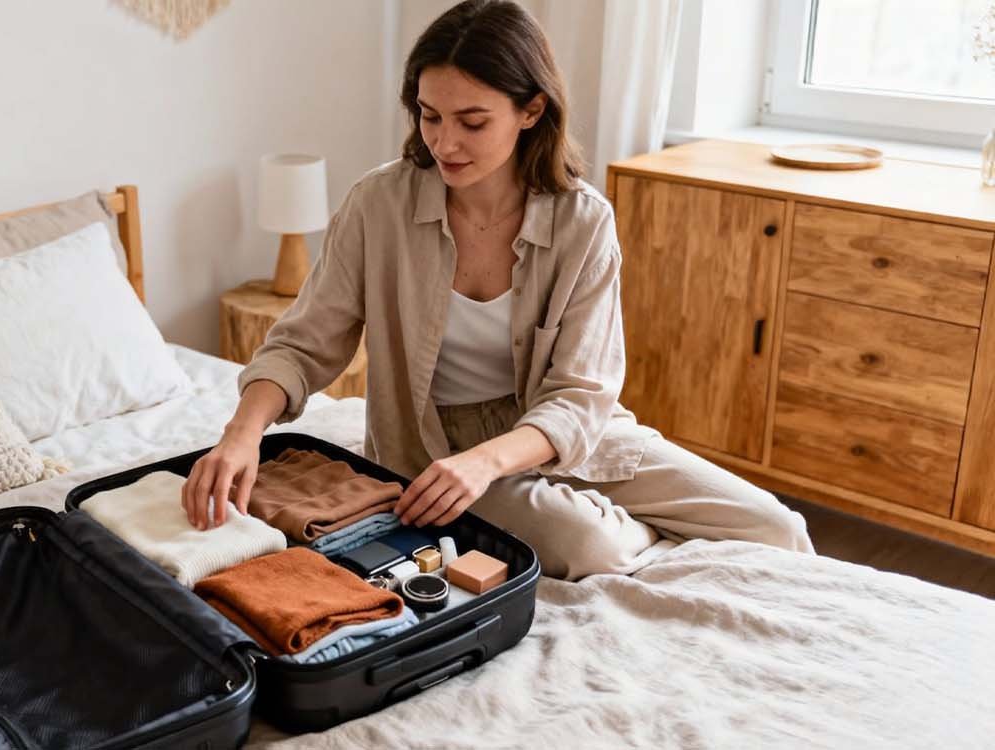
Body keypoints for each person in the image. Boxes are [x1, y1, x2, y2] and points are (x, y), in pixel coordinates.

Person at [181, 0, 813, 580]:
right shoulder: (379, 204)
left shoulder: (582, 221)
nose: (444, 142)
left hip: (552, 430)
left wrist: (491, 461)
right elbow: (304, 342)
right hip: (435, 446)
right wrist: (243, 433)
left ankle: (619, 517)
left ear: (531, 111)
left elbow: (580, 395)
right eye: (429, 116)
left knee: (778, 527)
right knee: (589, 546)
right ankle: (625, 533)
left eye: (472, 121)